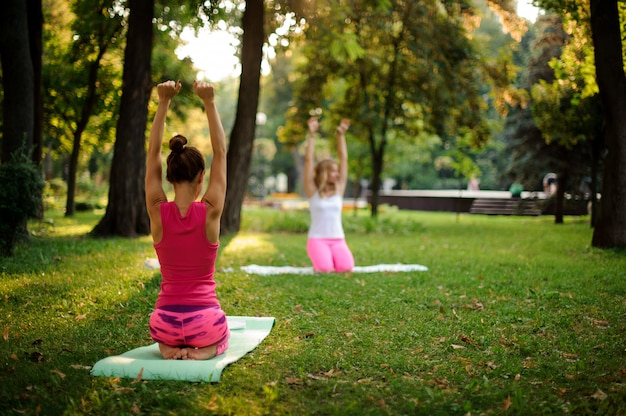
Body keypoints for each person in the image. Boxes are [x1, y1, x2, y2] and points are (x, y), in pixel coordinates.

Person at [145, 79, 229, 360]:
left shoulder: (157, 210)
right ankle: (206, 349)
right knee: (222, 333)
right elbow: (221, 153)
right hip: (205, 323)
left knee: (165, 332)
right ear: (202, 177)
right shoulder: (211, 210)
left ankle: (169, 347)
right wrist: (209, 101)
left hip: (163, 322)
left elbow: (153, 154)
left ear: (169, 177)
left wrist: (163, 102)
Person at [303, 116, 355, 273]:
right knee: (325, 269)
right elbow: (308, 160)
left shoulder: (339, 189)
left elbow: (343, 159)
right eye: (333, 170)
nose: (337, 173)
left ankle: (331, 257)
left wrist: (341, 135)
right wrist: (312, 135)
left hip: (338, 239)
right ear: (324, 173)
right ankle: (323, 259)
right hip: (317, 240)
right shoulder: (313, 191)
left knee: (346, 268)